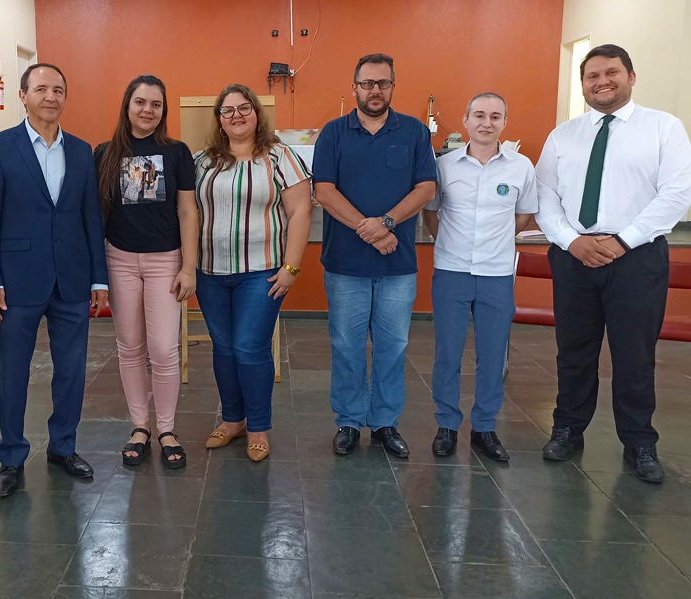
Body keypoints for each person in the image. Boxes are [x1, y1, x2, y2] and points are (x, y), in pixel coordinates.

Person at [535, 44, 691, 483]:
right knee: (573, 351)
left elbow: (676, 194)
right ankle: (568, 429)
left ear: (631, 77)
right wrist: (572, 241)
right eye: (592, 76)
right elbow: (544, 195)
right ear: (583, 84)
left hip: (637, 258)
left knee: (635, 355)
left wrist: (623, 241)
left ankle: (639, 442)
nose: (602, 81)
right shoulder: (562, 135)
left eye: (611, 73)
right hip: (574, 256)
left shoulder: (663, 128)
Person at [0, 63, 108, 495]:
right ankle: (11, 457)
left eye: (58, 90)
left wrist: (99, 278)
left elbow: (91, 218)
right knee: (14, 372)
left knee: (71, 370)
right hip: (17, 282)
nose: (50, 97)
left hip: (72, 279)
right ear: (22, 95)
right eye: (41, 89)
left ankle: (63, 447)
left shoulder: (82, 151)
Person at [313, 53, 437, 458]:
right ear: (354, 88)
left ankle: (385, 422)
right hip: (345, 264)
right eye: (367, 83)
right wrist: (369, 231)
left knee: (393, 346)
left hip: (397, 265)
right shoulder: (333, 133)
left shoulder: (415, 132)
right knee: (346, 346)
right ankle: (348, 421)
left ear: (393, 86)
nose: (375, 90)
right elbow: (324, 191)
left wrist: (385, 223)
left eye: (383, 83)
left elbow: (425, 188)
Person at [195, 84, 312, 462]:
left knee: (249, 347)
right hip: (210, 272)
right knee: (224, 348)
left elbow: (301, 212)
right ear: (219, 120)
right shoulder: (202, 162)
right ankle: (233, 420)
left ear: (256, 113)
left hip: (261, 273)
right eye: (227, 110)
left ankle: (258, 426)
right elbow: (187, 212)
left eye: (244, 108)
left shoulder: (281, 157)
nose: (236, 116)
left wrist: (291, 267)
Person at [422, 93, 538, 461]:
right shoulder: (444, 166)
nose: (487, 123)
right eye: (479, 115)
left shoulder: (521, 167)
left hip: (496, 274)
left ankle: (484, 428)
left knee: (492, 356)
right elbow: (431, 213)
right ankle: (446, 425)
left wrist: (495, 243)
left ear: (505, 122)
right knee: (448, 353)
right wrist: (450, 243)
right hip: (452, 272)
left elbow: (523, 215)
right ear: (466, 119)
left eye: (495, 116)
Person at [94, 75, 198, 469]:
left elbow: (187, 211)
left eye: (156, 104)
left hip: (165, 261)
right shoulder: (105, 153)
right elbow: (96, 214)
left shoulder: (177, 152)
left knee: (164, 349)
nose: (147, 110)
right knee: (130, 346)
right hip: (119, 259)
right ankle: (140, 427)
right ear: (127, 105)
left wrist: (189, 267)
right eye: (140, 102)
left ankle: (167, 429)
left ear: (163, 110)